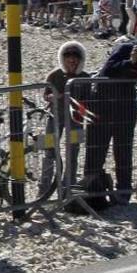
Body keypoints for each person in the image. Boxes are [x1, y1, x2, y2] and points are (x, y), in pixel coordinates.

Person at [86, 33, 137, 206]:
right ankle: (92, 190)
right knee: (96, 148)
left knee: (123, 150)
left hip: (126, 106)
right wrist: (130, 61)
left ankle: (123, 192)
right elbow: (107, 71)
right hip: (102, 103)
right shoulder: (124, 49)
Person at [43, 41, 90, 194]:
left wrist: (78, 105)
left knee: (73, 152)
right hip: (53, 117)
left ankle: (68, 187)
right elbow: (45, 94)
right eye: (67, 55)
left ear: (81, 59)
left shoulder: (85, 77)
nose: (71, 59)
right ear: (62, 58)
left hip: (76, 121)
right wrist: (51, 96)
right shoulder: (54, 75)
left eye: (75, 56)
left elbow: (88, 102)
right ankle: (44, 187)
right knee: (48, 149)